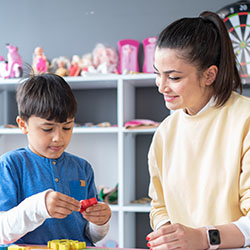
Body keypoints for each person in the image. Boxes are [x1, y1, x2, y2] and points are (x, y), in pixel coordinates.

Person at [146, 11, 250, 249]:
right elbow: (158, 206)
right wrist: (169, 234)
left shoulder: (245, 119)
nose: (161, 87)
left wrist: (204, 238)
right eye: (157, 74)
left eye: (173, 77)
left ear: (209, 75)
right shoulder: (165, 132)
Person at [0, 73, 111, 246]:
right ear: (23, 125)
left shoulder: (82, 168)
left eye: (67, 127)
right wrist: (38, 206)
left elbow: (91, 236)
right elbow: (2, 232)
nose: (58, 138)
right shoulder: (10, 166)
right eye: (47, 129)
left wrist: (100, 222)